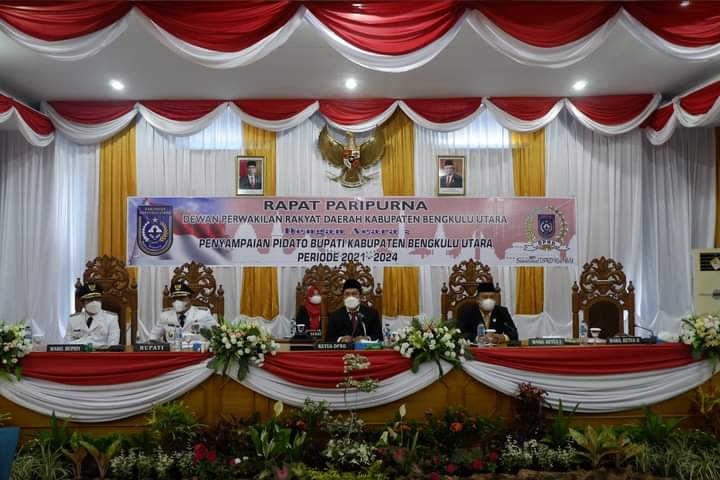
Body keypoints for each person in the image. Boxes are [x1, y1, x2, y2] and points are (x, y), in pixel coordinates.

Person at [150, 281, 217, 342]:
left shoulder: (203, 314)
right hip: (173, 350)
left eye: (181, 298)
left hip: (196, 351)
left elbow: (218, 334)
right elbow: (153, 338)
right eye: (175, 298)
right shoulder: (165, 316)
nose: (177, 301)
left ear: (190, 298)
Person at [65, 282, 120, 347]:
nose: (94, 303)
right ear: (82, 304)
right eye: (89, 300)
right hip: (79, 353)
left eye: (97, 299)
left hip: (102, 353)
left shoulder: (111, 318)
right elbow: (67, 345)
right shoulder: (73, 320)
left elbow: (113, 345)